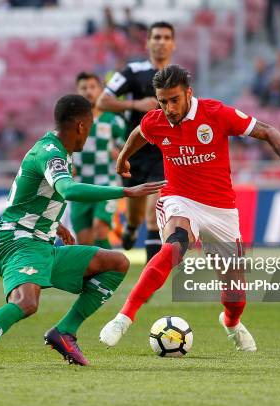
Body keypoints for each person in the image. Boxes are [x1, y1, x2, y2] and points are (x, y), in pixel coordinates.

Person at [100, 65, 280, 352]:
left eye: (174, 100)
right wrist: (123, 157)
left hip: (222, 210)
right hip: (179, 199)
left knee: (236, 297)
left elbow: (268, 131)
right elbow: (140, 131)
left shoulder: (217, 114)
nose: (169, 108)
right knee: (174, 248)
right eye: (162, 101)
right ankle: (123, 317)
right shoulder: (156, 121)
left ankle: (231, 323)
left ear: (188, 93)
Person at [0, 95, 165, 369]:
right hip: (16, 242)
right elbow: (69, 190)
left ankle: (65, 331)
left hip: (41, 243)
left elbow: (31, 192)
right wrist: (125, 191)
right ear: (81, 126)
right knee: (27, 302)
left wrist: (55, 224)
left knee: (116, 263)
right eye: (90, 125)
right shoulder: (51, 152)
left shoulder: (56, 150)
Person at [97, 21, 175, 263]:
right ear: (148, 42)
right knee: (136, 214)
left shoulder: (177, 77)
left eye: (166, 38)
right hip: (134, 151)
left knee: (153, 215)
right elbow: (103, 102)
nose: (161, 42)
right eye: (157, 37)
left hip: (163, 153)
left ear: (173, 44)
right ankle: (131, 228)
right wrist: (134, 105)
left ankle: (151, 278)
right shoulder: (132, 72)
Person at [71, 72, 126, 249]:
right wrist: (67, 164)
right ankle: (92, 275)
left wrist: (120, 155)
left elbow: (126, 150)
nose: (88, 91)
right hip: (80, 188)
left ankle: (111, 271)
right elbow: (62, 150)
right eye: (84, 88)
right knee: (84, 242)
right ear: (77, 92)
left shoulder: (114, 121)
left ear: (101, 90)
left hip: (106, 186)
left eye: (93, 87)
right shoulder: (70, 122)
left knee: (100, 229)